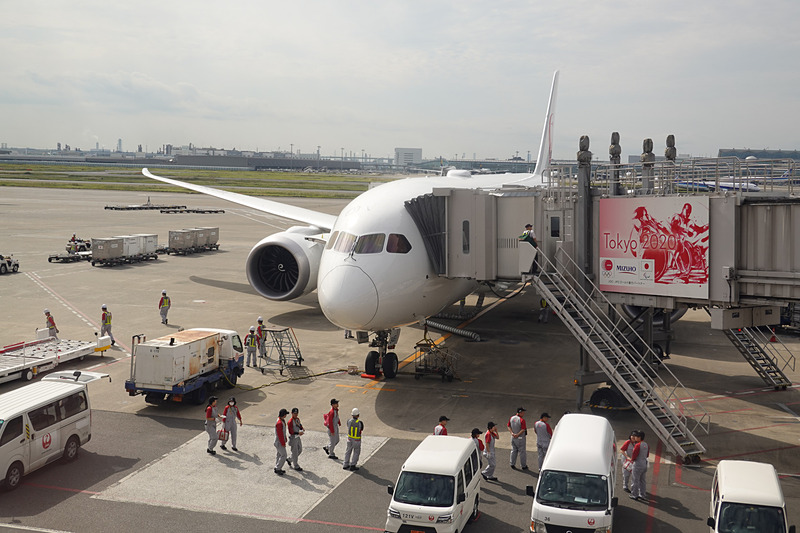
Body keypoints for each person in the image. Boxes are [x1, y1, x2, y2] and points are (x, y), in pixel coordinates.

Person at [629, 430, 650, 501]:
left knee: (635, 480)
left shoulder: (637, 445)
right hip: (644, 463)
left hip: (637, 464)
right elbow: (647, 455)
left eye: (636, 436)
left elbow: (634, 455)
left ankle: (634, 494)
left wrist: (632, 459)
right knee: (642, 480)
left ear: (639, 437)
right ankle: (642, 494)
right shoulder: (646, 445)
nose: (635, 438)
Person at [287, 407, 305, 471]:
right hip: (293, 437)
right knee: (295, 452)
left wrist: (302, 428)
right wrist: (298, 432)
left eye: (297, 413)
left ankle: (290, 459)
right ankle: (296, 465)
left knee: (300, 450)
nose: (296, 415)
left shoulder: (297, 419)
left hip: (297, 437)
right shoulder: (290, 422)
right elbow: (291, 431)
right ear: (292, 413)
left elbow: (299, 425)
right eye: (294, 413)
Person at [274, 408, 289, 475]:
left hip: (279, 441)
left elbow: (282, 433)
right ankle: (278, 468)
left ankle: (277, 466)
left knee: (279, 454)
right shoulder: (280, 423)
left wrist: (285, 438)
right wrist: (283, 443)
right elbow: (280, 434)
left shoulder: (281, 420)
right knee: (284, 455)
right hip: (279, 442)